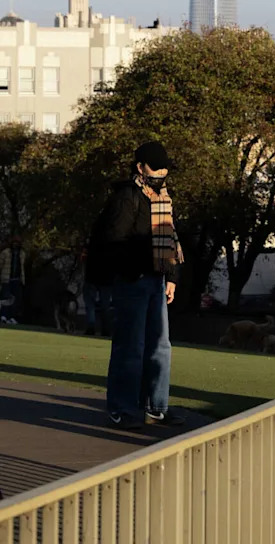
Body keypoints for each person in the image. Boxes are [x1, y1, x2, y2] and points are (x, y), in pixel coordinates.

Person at [98, 141, 185, 429]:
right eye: (155, 167)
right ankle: (121, 408)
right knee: (130, 347)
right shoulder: (126, 197)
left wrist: (171, 276)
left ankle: (156, 407)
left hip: (156, 281)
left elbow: (170, 238)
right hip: (132, 281)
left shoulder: (163, 198)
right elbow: (114, 241)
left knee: (160, 347)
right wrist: (132, 271)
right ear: (140, 168)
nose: (161, 172)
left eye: (164, 168)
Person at [0, 235, 25, 324]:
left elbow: (21, 267)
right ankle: (3, 316)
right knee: (6, 298)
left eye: (17, 243)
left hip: (17, 279)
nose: (15, 244)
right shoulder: (5, 253)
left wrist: (22, 279)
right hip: (6, 278)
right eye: (14, 243)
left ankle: (12, 317)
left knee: (15, 300)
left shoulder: (22, 254)